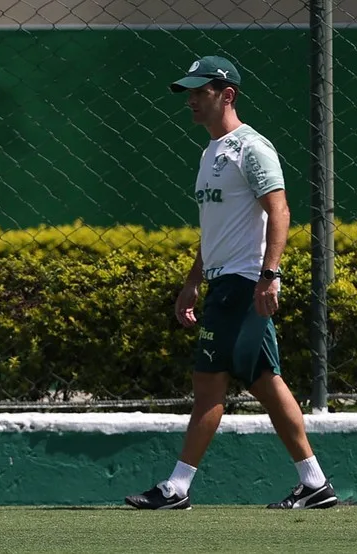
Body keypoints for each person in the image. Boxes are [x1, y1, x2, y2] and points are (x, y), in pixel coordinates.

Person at [124, 56, 337, 510]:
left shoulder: (251, 148)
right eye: (190, 93)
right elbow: (215, 230)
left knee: (209, 386)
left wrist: (269, 275)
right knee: (263, 381)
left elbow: (279, 211)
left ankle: (177, 487)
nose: (193, 101)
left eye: (201, 92)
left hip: (244, 284)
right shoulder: (210, 153)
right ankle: (315, 482)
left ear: (228, 95)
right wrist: (191, 282)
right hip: (224, 284)